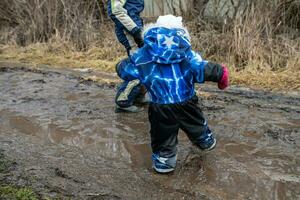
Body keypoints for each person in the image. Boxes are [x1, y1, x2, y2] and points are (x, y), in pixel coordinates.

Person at [115, 15, 229, 173]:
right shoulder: (186, 54)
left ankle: (164, 161)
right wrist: (220, 74)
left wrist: (120, 66)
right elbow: (201, 68)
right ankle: (205, 141)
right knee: (196, 124)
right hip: (187, 101)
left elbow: (126, 71)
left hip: (160, 106)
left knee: (162, 134)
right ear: (180, 33)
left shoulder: (143, 56)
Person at [108, 0, 147, 112]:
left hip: (135, 28)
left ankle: (137, 95)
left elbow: (133, 10)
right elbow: (116, 11)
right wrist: (135, 31)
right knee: (138, 65)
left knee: (144, 62)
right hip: (129, 31)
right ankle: (123, 101)